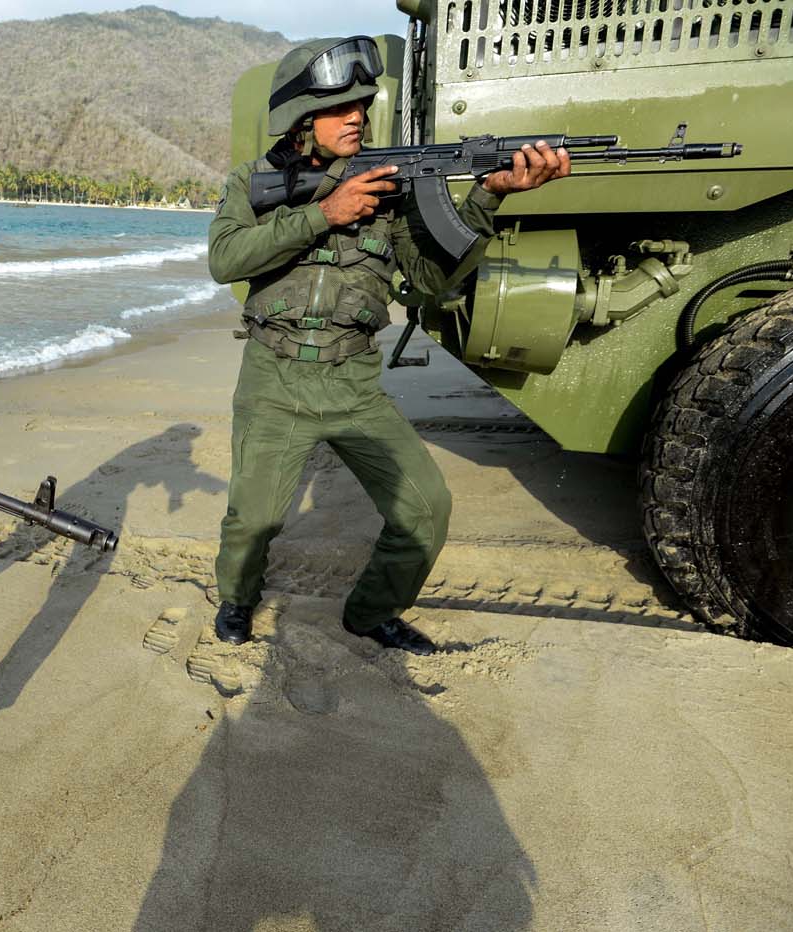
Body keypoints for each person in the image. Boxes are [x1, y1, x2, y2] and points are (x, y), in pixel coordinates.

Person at [208, 38, 569, 654]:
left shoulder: (391, 186)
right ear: (299, 119)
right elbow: (225, 259)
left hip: (354, 386)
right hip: (273, 380)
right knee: (251, 521)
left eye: (362, 104)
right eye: (338, 107)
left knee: (426, 509)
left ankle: (371, 612)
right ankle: (238, 602)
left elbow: (429, 282)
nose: (357, 115)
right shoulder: (253, 181)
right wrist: (325, 213)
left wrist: (489, 197)